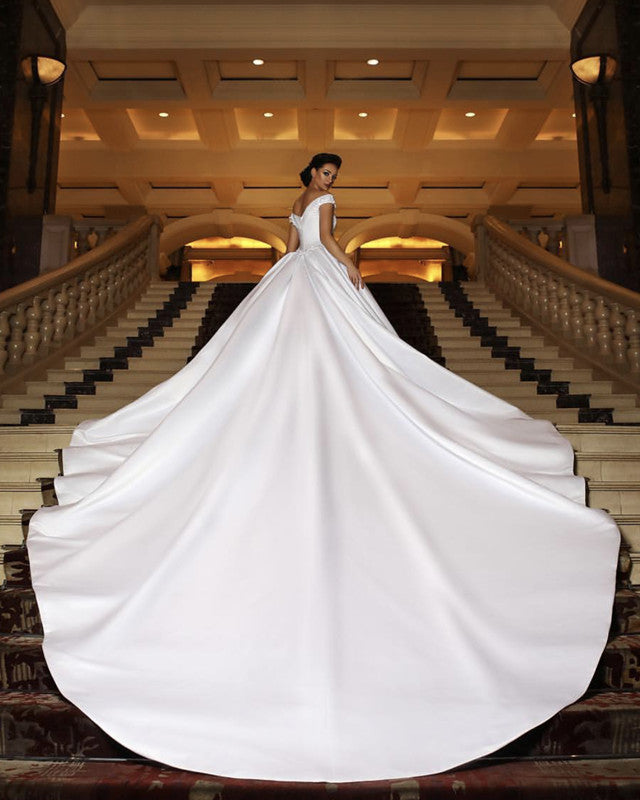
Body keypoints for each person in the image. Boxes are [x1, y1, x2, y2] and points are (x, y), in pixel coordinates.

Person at [26, 153, 620, 784]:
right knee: (336, 350)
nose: (331, 181)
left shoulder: (295, 205)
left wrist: (288, 275)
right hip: (314, 280)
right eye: (326, 172)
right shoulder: (324, 208)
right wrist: (353, 272)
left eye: (334, 175)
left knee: (293, 353)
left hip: (290, 283)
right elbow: (327, 243)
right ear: (314, 175)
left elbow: (289, 249)